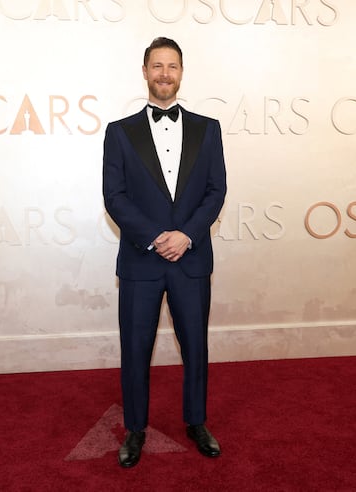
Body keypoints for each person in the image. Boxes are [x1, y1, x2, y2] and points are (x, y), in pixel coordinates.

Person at [103, 37, 226, 468]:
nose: (164, 74)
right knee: (135, 349)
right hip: (141, 261)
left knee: (196, 347)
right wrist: (157, 236)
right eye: (157, 65)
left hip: (191, 259)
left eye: (172, 66)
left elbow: (216, 191)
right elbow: (114, 197)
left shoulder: (209, 128)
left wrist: (186, 235)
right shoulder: (119, 132)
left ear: (181, 72)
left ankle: (196, 421)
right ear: (144, 71)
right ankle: (135, 429)